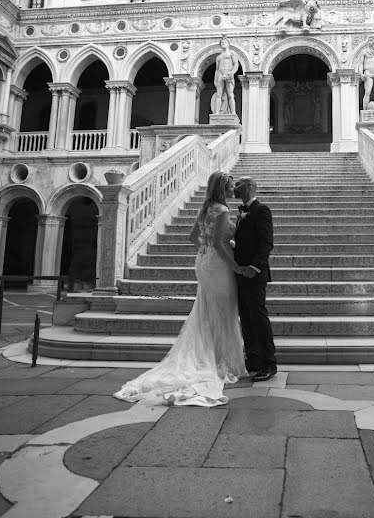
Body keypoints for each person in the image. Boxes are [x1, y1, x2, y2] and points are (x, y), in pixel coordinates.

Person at [113, 171, 246, 406]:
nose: (232, 189)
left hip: (204, 263)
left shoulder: (207, 208)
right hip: (218, 266)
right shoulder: (223, 211)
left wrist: (206, 250)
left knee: (207, 310)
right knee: (224, 310)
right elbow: (218, 242)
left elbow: (193, 237)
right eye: (230, 186)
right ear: (222, 188)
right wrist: (233, 262)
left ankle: (215, 357)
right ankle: (221, 361)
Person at [233, 176, 277, 381]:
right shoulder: (241, 211)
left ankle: (269, 364)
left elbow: (267, 242)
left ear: (250, 187)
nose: (234, 187)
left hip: (254, 274)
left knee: (258, 319)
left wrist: (254, 267)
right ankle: (253, 361)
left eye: (238, 184)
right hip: (240, 274)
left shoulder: (261, 210)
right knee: (246, 319)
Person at [211, 36, 240, 114]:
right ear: (220, 45)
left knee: (230, 94)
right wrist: (215, 80)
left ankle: (233, 112)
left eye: (225, 42)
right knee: (219, 94)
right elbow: (217, 70)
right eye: (222, 43)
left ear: (228, 44)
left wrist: (232, 73)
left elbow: (236, 64)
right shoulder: (218, 57)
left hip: (228, 73)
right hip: (220, 73)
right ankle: (217, 113)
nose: (224, 44)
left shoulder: (232, 54)